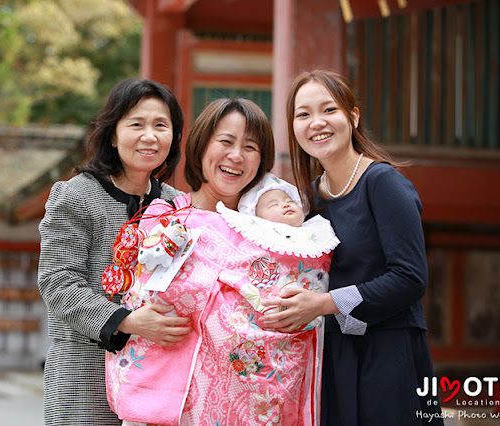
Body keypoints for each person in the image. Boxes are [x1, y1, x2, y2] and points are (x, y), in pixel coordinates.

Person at [105, 98, 338, 425]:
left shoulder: (274, 231)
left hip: (251, 407)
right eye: (226, 142)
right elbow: (145, 301)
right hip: (165, 402)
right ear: (201, 147)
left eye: (250, 146)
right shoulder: (164, 218)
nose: (236, 156)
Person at [262, 69, 443, 425]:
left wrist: (323, 304)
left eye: (329, 110)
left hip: (389, 355)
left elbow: (410, 278)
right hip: (335, 357)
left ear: (353, 117)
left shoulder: (383, 183)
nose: (317, 123)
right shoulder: (311, 198)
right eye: (303, 114)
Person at [37, 78, 192, 426]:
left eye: (161, 126)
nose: (149, 136)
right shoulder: (75, 196)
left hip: (156, 380)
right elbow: (57, 283)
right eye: (136, 124)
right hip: (85, 377)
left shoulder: (178, 206)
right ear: (112, 134)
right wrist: (127, 321)